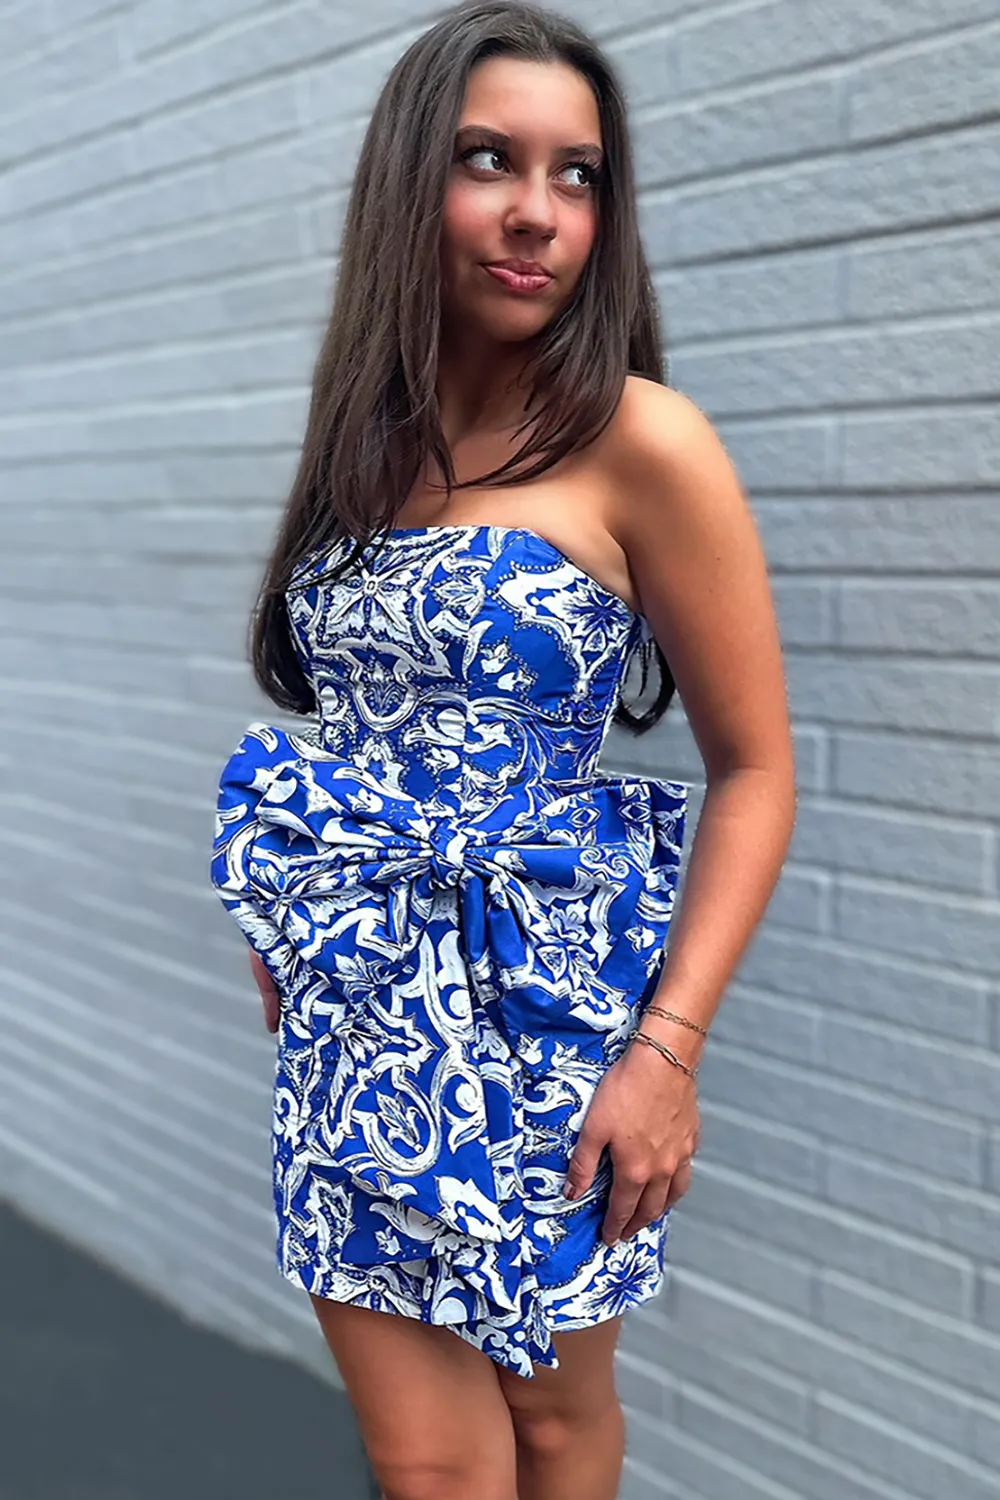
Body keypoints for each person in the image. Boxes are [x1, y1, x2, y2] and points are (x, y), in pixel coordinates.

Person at [209, 3, 796, 1496]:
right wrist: (295, 910)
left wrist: (667, 1053)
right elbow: (352, 717)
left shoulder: (643, 441)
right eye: (490, 160)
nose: (539, 211)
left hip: (550, 1022)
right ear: (410, 181)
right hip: (361, 1019)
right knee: (428, 1463)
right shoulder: (365, 439)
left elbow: (755, 770)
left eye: (577, 175)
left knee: (549, 1424)